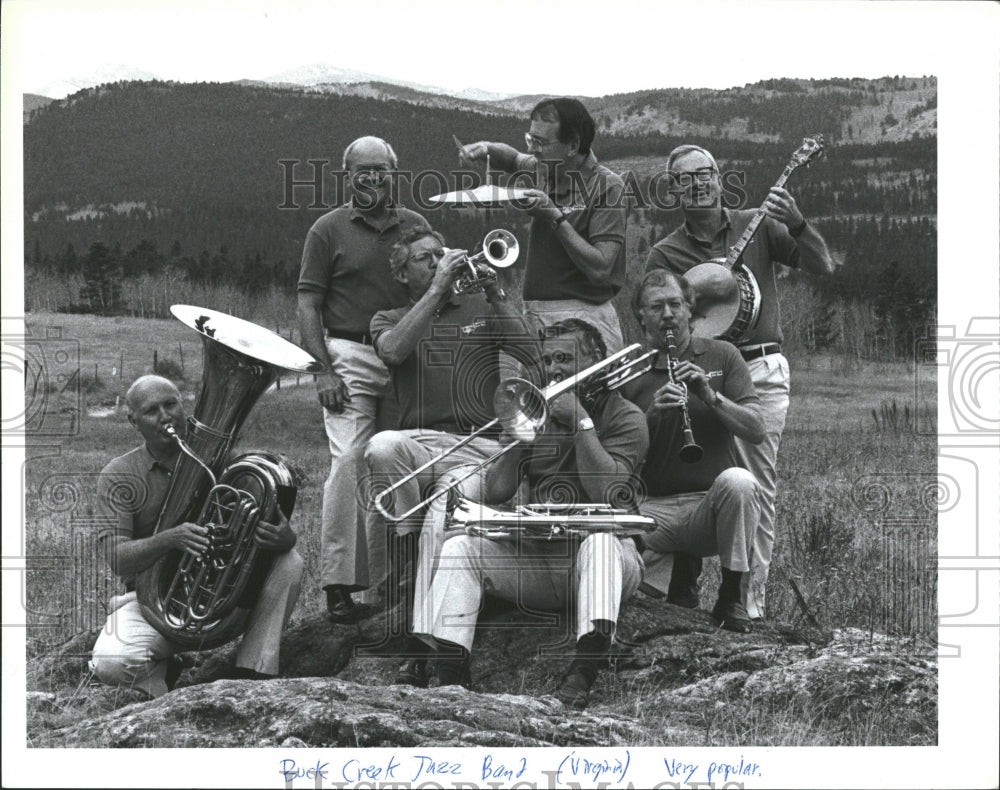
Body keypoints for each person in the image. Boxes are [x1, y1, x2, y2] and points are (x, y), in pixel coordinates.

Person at [323, 226, 538, 677]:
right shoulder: (388, 317)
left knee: (442, 510)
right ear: (402, 274)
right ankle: (408, 555)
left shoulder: (480, 306)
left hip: (476, 447)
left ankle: (421, 647)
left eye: (442, 253)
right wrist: (438, 288)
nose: (439, 260)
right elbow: (395, 352)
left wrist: (496, 292)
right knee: (380, 447)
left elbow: (528, 350)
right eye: (426, 258)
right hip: (418, 444)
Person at [413, 319, 648, 709]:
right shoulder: (538, 413)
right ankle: (451, 677)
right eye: (549, 360)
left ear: (596, 361)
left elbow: (611, 492)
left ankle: (583, 671)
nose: (554, 370)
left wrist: (581, 423)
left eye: (565, 359)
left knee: (602, 543)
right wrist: (517, 444)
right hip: (543, 557)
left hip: (604, 559)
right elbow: (499, 490)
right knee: (459, 548)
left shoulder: (627, 417)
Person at [644, 144, 834, 619]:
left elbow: (823, 265)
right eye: (687, 178)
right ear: (673, 190)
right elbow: (658, 316)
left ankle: (747, 605)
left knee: (754, 486)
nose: (700, 183)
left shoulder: (761, 222)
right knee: (690, 473)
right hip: (696, 365)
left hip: (759, 367)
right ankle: (679, 596)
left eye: (707, 172)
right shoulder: (666, 251)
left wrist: (798, 223)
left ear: (719, 177)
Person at [89, 376, 303, 698]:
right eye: (151, 411)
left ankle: (252, 674)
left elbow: (264, 536)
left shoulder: (228, 464)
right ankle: (165, 692)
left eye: (171, 404)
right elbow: (118, 560)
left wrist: (284, 537)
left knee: (289, 561)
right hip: (155, 604)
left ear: (184, 406)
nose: (165, 416)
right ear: (134, 421)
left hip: (225, 606)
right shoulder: (119, 475)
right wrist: (169, 539)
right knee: (110, 662)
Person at [297, 136, 431, 623]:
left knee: (399, 459)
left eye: (382, 169)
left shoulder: (416, 226)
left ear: (395, 172)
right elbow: (308, 305)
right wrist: (322, 370)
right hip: (349, 352)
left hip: (404, 354)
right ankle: (338, 583)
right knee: (350, 459)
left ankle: (396, 579)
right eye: (363, 171)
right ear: (346, 175)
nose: (373, 178)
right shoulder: (326, 230)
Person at [623, 270, 765, 633]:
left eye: (675, 304)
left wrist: (709, 395)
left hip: (709, 507)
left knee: (741, 483)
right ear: (641, 314)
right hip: (654, 507)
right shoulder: (627, 367)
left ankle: (730, 596)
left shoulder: (723, 355)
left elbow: (756, 430)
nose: (667, 314)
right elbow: (615, 450)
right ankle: (673, 581)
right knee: (607, 536)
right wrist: (649, 416)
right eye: (656, 307)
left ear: (691, 309)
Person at [458, 98, 628, 354]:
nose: (533, 149)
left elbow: (601, 268)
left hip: (584, 318)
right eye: (531, 139)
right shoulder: (546, 168)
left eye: (541, 143)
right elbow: (514, 158)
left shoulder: (607, 186)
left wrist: (554, 216)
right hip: (536, 315)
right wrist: (486, 148)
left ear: (572, 145)